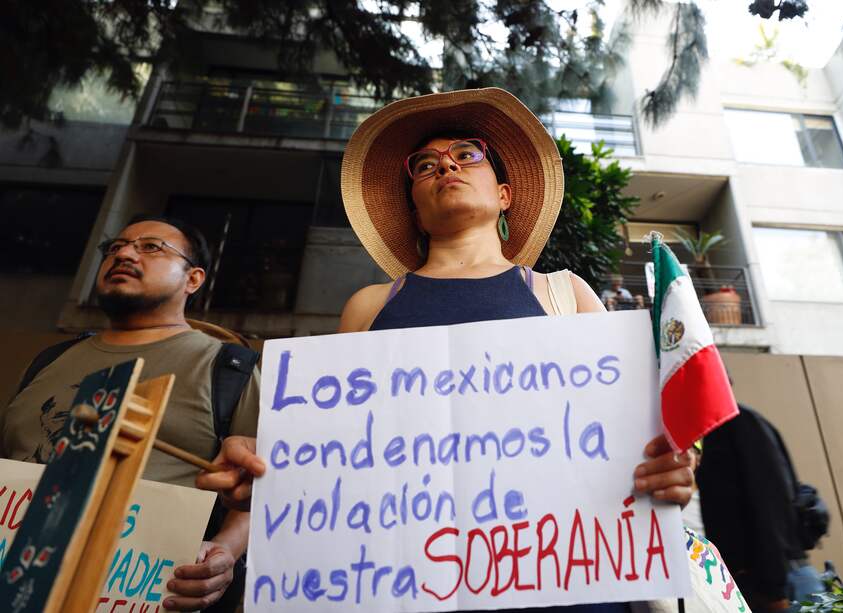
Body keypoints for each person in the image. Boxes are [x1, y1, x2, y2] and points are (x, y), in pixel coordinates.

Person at [200, 88, 695, 611]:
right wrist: (256, 495)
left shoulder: (564, 293)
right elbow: (329, 451)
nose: (445, 166)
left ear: (504, 194)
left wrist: (671, 467)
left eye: (466, 154)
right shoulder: (367, 306)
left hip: (567, 585)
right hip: (406, 587)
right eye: (425, 165)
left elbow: (633, 435)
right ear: (415, 211)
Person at [0, 216, 259, 612]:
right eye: (114, 247)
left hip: (139, 593)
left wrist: (223, 550)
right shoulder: (49, 361)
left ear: (193, 279)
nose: (123, 253)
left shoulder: (229, 368)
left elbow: (259, 488)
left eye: (151, 247)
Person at [696, 404, 824, 612]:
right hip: (769, 581)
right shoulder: (724, 427)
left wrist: (773, 589)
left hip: (777, 584)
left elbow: (770, 507)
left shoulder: (734, 424)